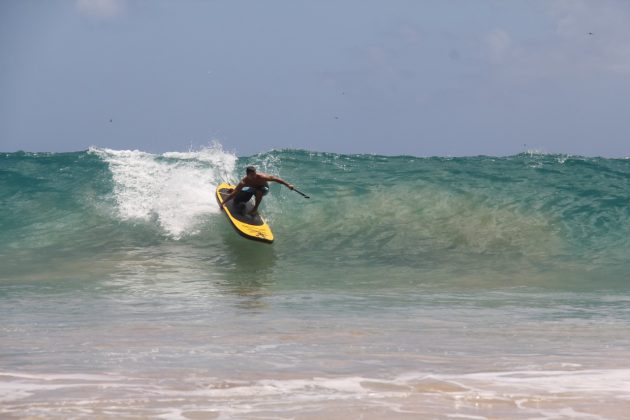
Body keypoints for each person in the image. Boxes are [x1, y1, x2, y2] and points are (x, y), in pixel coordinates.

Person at [220, 166, 294, 215]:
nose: (254, 176)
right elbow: (235, 193)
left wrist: (288, 185)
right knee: (237, 199)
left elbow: (275, 179)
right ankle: (235, 190)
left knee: (258, 191)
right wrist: (223, 203)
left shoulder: (261, 177)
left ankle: (254, 209)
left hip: (264, 189)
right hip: (252, 189)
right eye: (252, 175)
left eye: (255, 174)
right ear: (247, 175)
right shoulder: (244, 182)